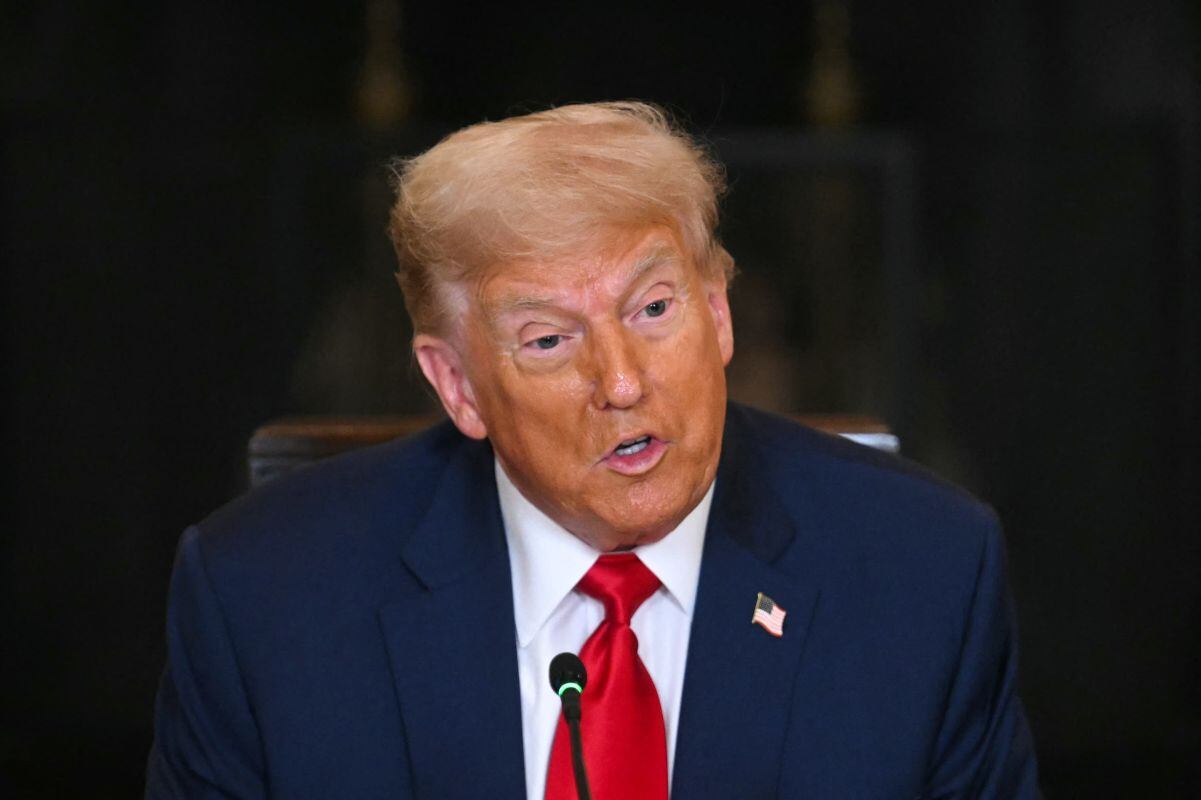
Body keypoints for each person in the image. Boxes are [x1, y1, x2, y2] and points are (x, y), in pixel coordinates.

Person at [145, 102, 1040, 799]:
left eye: (654, 309)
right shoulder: (263, 601)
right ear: (456, 384)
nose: (620, 382)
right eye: (547, 340)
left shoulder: (923, 573)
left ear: (718, 312)